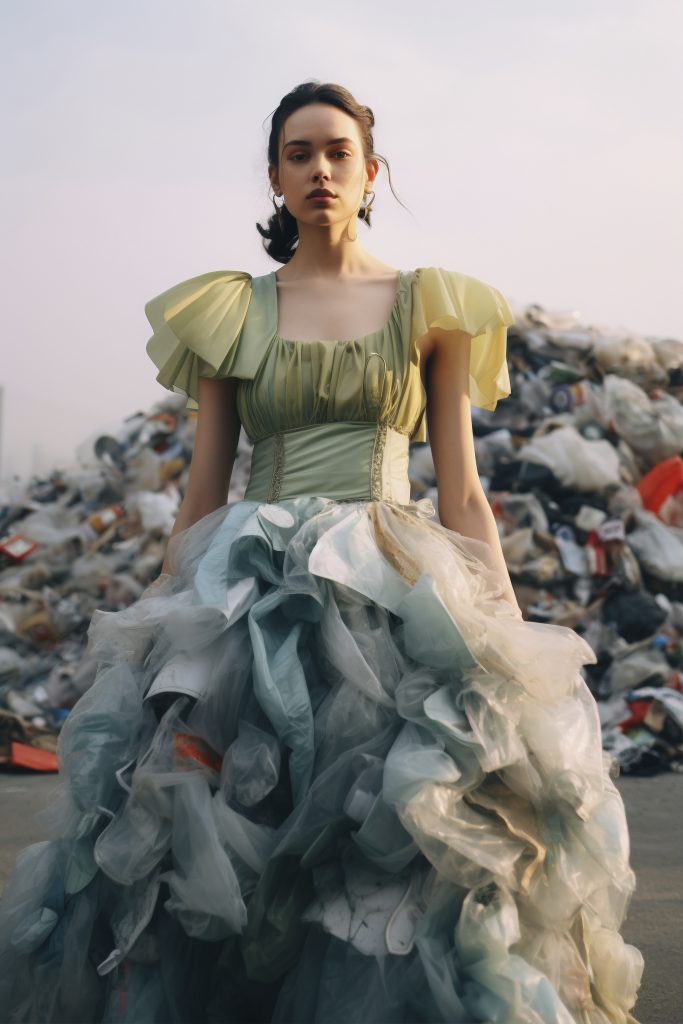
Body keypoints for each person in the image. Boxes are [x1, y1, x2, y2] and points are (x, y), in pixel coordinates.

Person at [0, 80, 643, 1024]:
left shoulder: (432, 304)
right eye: (298, 154)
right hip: (250, 582)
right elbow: (206, 483)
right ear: (273, 176)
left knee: (394, 824)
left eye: (337, 152)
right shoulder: (230, 309)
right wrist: (155, 629)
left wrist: (504, 629)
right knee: (218, 819)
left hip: (391, 574)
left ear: (370, 172)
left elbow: (460, 488)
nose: (319, 170)